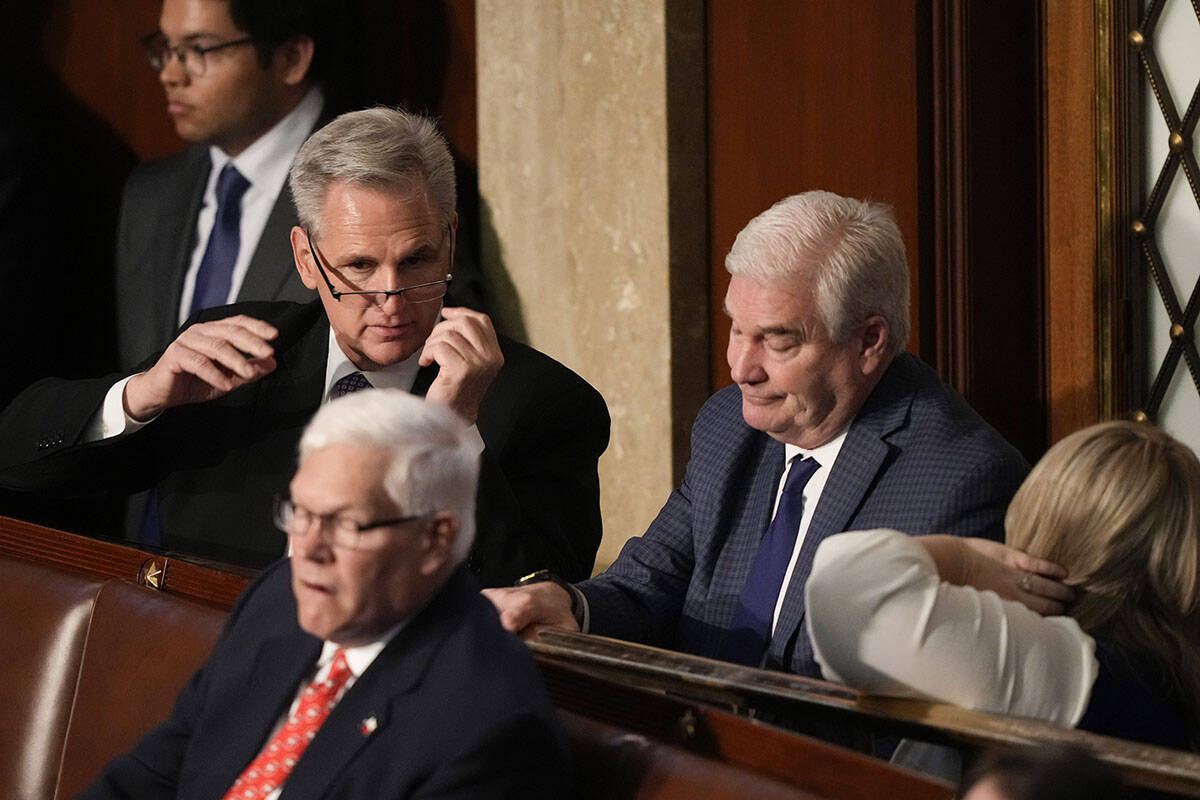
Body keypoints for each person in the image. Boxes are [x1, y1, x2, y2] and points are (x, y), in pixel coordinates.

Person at [0, 107, 609, 586]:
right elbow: (18, 461)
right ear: (306, 260)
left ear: (450, 242)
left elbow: (536, 603)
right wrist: (141, 395)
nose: (391, 295)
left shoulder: (543, 403)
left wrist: (450, 432)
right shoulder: (238, 354)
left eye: (417, 259)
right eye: (359, 266)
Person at [485, 191, 1029, 679]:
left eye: (777, 340)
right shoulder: (731, 425)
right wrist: (569, 606)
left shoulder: (961, 480)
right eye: (736, 329)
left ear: (868, 341)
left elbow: (908, 720)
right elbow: (651, 581)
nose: (741, 367)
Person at [78, 389, 570, 799]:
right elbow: (149, 781)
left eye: (344, 524)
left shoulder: (486, 725)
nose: (308, 548)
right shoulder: (276, 603)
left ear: (435, 539)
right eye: (302, 513)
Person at [806, 420, 1200, 749]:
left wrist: (964, 561)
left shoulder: (1072, 664)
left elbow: (843, 594)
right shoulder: (1157, 675)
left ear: (1041, 518)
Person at [116, 0, 337, 371]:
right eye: (167, 48)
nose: (170, 74)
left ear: (291, 58)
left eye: (199, 50)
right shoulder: (148, 195)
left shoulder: (381, 185)